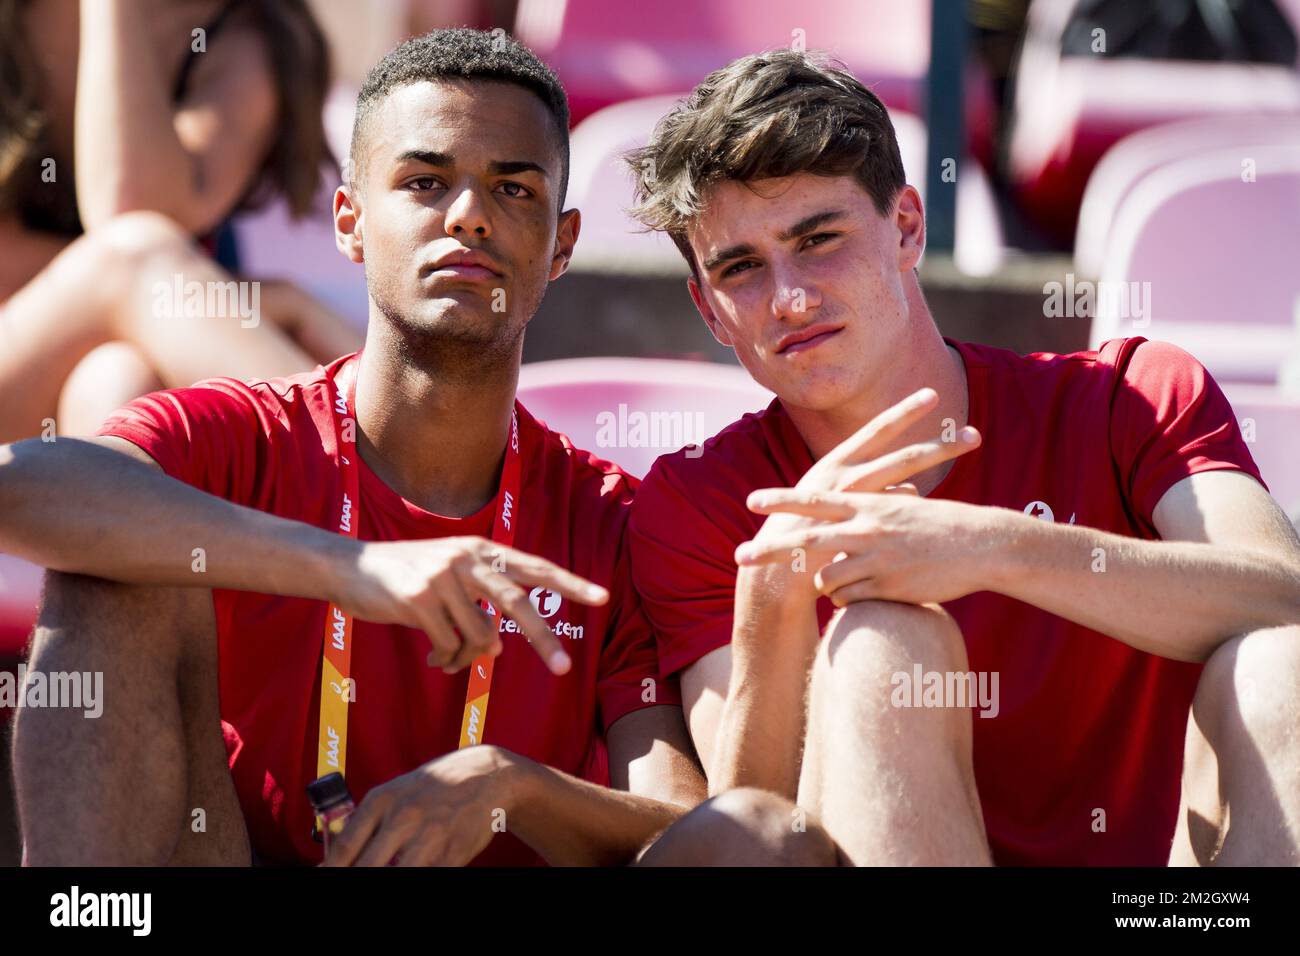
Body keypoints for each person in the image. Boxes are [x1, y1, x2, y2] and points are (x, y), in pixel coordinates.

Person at [6, 28, 703, 866]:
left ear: (562, 243)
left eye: (514, 189)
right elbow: (26, 486)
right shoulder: (243, 433)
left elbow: (688, 830)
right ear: (350, 220)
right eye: (424, 182)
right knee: (116, 561)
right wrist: (348, 564)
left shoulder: (610, 519)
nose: (469, 214)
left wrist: (507, 787)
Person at [623, 50, 1300, 866]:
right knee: (882, 645)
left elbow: (1283, 595)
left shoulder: (1132, 393)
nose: (789, 298)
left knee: (1282, 662)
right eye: (741, 268)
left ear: (906, 227)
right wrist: (774, 600)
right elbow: (751, 837)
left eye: (819, 239)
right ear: (708, 308)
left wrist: (992, 546)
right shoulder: (699, 499)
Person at [0, 0, 360, 443]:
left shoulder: (248, 31)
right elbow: (129, 228)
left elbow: (134, 207)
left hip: (68, 383)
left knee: (117, 382)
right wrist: (229, 295)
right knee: (133, 258)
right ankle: (364, 472)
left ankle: (356, 487)